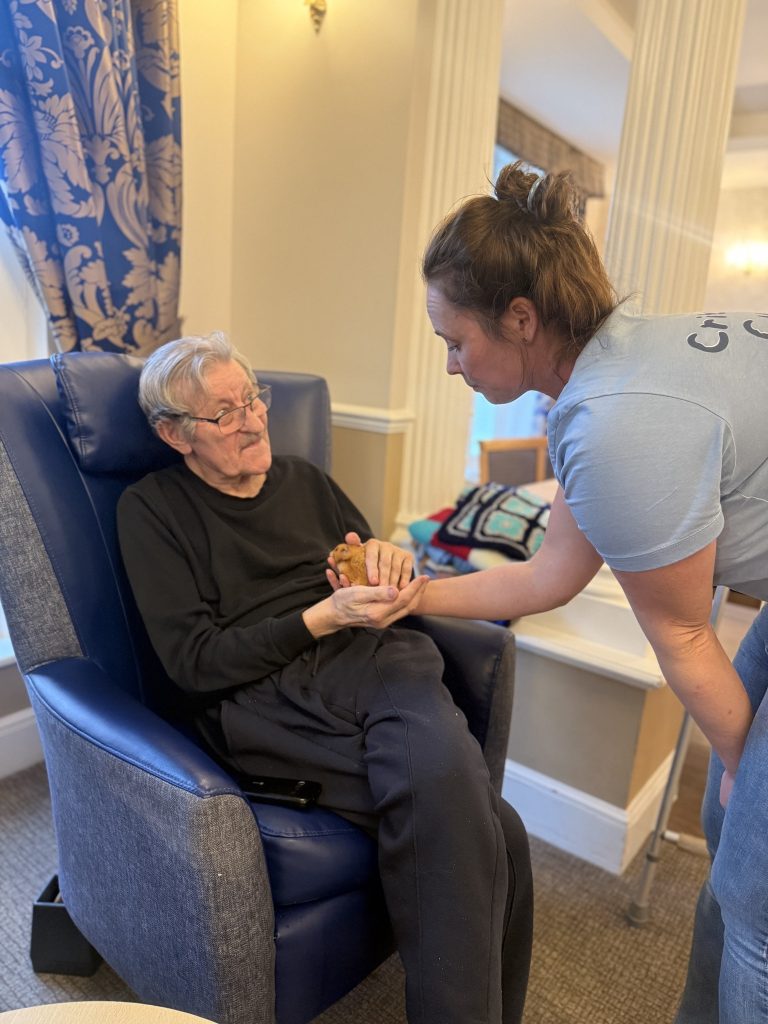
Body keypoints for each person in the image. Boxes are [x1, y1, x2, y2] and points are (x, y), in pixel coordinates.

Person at [402, 159, 768, 1023]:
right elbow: (553, 574)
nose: (452, 366)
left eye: (457, 342)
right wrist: (411, 594)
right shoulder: (613, 370)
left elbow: (682, 638)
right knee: (732, 849)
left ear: (521, 318)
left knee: (759, 905)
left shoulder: (615, 421)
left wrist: (738, 760)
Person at [116, 331, 533, 1024]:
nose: (252, 419)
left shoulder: (305, 479)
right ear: (173, 433)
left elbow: (363, 561)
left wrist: (385, 570)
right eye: (225, 412)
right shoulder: (152, 510)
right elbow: (194, 663)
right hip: (262, 698)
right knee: (495, 827)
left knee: (478, 815)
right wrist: (320, 616)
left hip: (371, 664)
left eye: (253, 398)